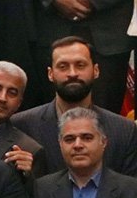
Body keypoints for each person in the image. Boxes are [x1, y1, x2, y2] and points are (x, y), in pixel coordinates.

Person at [10, 37, 137, 176]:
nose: (72, 73)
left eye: (80, 65)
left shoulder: (124, 130)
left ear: (96, 70)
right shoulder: (21, 126)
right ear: (50, 74)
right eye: (63, 66)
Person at [0, 61, 46, 176]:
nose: (2, 98)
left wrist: (27, 176)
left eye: (12, 93)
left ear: (19, 103)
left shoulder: (29, 149)